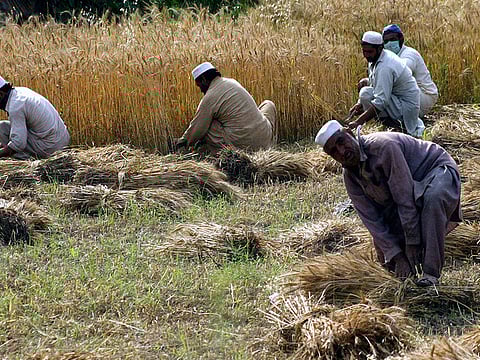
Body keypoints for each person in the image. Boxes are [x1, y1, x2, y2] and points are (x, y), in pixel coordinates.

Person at [315, 120, 462, 287]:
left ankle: (430, 274)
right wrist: (397, 255)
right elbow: (372, 221)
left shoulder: (383, 147)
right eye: (334, 151)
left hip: (435, 170)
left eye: (341, 142)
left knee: (432, 199)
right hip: (409, 188)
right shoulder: (350, 177)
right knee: (388, 262)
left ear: (349, 133)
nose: (341, 151)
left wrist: (412, 243)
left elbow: (405, 199)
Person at [175, 62, 277, 155]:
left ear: (204, 80)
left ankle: (217, 152)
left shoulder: (210, 97)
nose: (201, 90)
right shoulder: (232, 82)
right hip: (264, 136)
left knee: (208, 125)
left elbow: (197, 128)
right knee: (268, 104)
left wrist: (183, 142)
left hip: (244, 145)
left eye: (199, 85)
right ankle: (271, 146)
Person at [349, 31, 425, 138]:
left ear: (380, 48)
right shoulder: (376, 58)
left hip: (406, 106)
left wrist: (358, 122)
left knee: (366, 94)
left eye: (370, 52)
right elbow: (374, 82)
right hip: (397, 100)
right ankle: (389, 126)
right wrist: (359, 103)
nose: (366, 55)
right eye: (364, 51)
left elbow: (381, 101)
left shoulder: (385, 66)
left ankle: (397, 128)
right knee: (364, 85)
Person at [0, 76, 70, 159]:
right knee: (3, 127)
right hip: (61, 139)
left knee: (3, 130)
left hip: (51, 147)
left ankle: (22, 161)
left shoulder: (16, 107)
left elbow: (18, 144)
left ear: (0, 94)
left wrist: (2, 152)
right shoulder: (21, 91)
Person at [382, 24, 438, 118]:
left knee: (390, 85)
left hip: (425, 95)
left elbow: (403, 71)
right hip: (414, 94)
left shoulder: (409, 54)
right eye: (386, 41)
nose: (389, 44)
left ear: (401, 39)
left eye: (392, 39)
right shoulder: (390, 57)